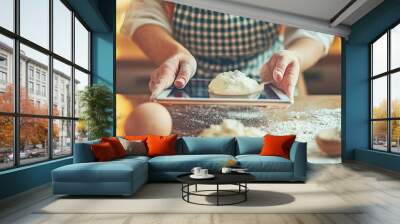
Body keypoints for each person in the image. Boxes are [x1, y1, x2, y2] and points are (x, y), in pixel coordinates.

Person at [121, 1, 333, 100]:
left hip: (271, 81)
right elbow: (143, 12)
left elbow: (314, 26)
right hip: (187, 82)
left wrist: (296, 56)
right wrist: (172, 54)